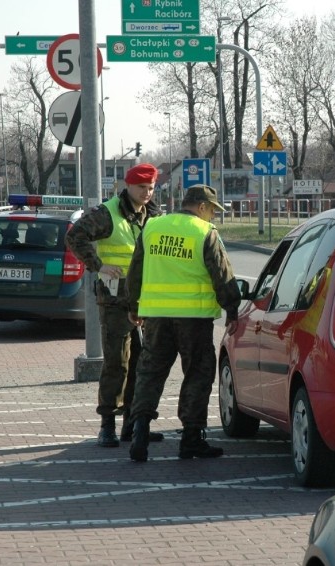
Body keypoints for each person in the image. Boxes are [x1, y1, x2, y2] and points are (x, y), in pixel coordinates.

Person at [126, 184, 242, 462]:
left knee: (150, 372)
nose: (213, 216)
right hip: (194, 319)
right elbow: (222, 275)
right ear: (201, 206)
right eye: (212, 210)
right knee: (198, 374)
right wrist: (233, 310)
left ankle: (139, 430)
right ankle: (192, 438)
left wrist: (134, 307)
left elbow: (135, 271)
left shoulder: (152, 227)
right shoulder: (204, 232)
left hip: (155, 317)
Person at [65, 163, 164, 447]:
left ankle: (132, 426)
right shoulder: (108, 213)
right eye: (141, 188)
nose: (147, 193)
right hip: (115, 299)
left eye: (151, 188)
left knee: (141, 364)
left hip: (145, 300)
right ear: (128, 186)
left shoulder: (154, 215)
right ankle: (107, 424)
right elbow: (75, 236)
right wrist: (98, 265)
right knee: (117, 363)